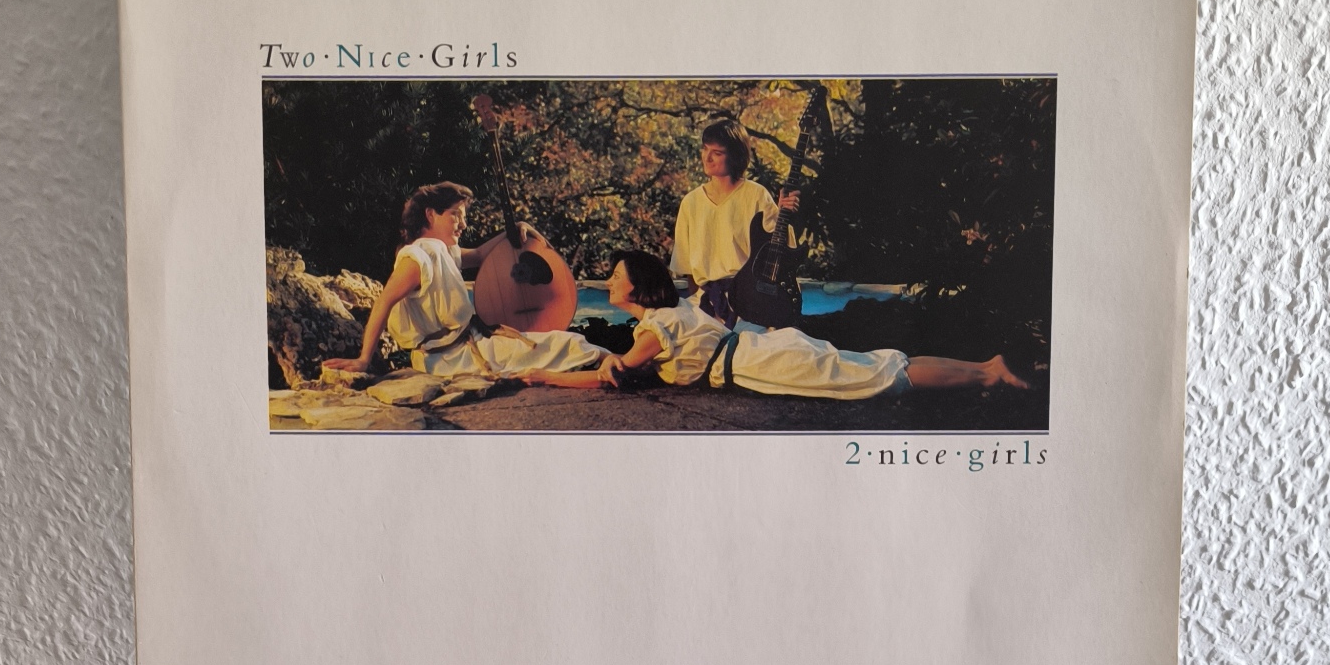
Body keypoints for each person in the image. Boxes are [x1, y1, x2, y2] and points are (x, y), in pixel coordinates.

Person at [519, 250, 1029, 400]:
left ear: (639, 285)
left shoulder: (655, 329)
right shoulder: (671, 315)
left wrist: (545, 377)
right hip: (762, 350)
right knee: (878, 365)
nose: (609, 281)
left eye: (616, 275)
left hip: (763, 361)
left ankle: (989, 373)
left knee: (878, 376)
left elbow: (609, 375)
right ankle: (988, 368)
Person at [322, 181, 608, 386]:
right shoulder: (417, 257)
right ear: (430, 214)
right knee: (563, 344)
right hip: (451, 358)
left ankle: (615, 364)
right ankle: (618, 366)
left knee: (556, 343)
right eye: (455, 215)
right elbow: (384, 302)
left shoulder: (443, 251)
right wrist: (363, 359)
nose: (463, 224)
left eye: (464, 216)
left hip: (468, 348)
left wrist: (517, 227)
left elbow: (482, 255)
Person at [669, 115, 799, 327]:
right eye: (705, 149)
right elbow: (689, 271)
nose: (707, 158)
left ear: (735, 156)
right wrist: (702, 311)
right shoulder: (691, 202)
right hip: (705, 304)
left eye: (717, 153)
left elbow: (778, 252)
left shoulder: (756, 195)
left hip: (750, 302)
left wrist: (784, 213)